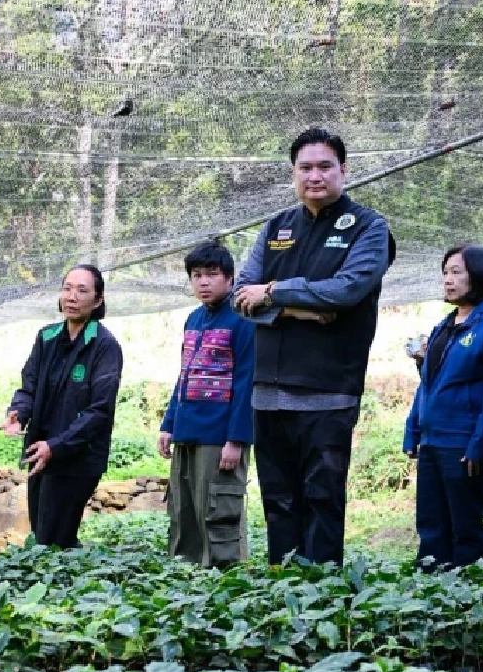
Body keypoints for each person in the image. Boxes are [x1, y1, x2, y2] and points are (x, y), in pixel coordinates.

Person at [233, 127, 395, 565]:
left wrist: (272, 293)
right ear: (293, 173)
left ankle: (322, 599)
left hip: (328, 391)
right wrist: (295, 307)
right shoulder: (276, 227)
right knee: (278, 502)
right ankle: (283, 592)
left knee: (322, 499)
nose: (315, 176)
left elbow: (346, 291)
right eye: (305, 167)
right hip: (267, 394)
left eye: (325, 166)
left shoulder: (369, 227)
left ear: (344, 170)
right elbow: (240, 295)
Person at [1, 264, 123, 548]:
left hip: (77, 458)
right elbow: (29, 385)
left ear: (98, 300)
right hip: (39, 452)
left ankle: (66, 588)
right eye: (67, 288)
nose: (72, 296)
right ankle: (58, 586)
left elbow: (99, 410)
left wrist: (57, 446)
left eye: (82, 290)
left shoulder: (105, 346)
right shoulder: (47, 337)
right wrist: (18, 412)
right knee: (43, 535)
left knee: (54, 538)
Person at [403, 245, 483, 568]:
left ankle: (468, 598)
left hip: (463, 444)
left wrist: (479, 444)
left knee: (465, 526)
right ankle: (430, 594)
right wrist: (413, 430)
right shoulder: (443, 327)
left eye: (456, 272)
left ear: (477, 275)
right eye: (445, 272)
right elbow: (429, 383)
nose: (448, 280)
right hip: (432, 443)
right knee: (431, 525)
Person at [158, 240, 255, 567]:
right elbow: (184, 375)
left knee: (218, 511)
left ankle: (225, 578)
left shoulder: (243, 321)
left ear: (229, 279)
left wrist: (237, 440)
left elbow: (246, 383)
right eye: (196, 275)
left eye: (212, 274)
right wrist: (168, 424)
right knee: (183, 510)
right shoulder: (193, 320)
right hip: (187, 432)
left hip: (219, 437)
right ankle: (185, 576)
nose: (203, 281)